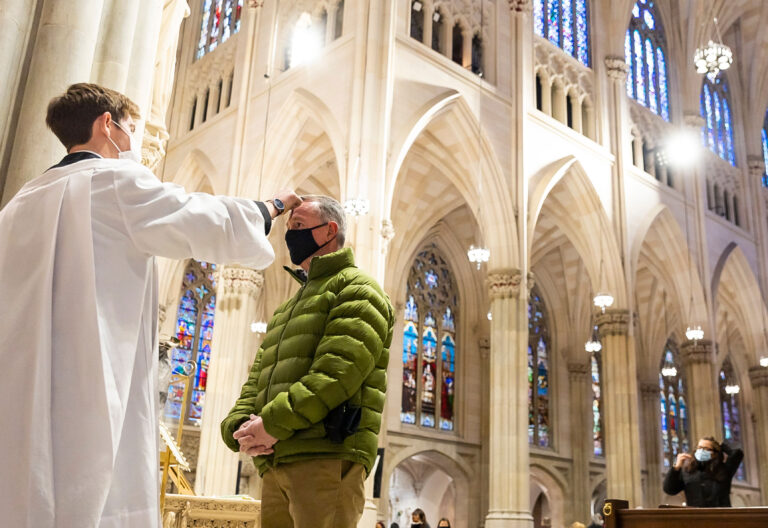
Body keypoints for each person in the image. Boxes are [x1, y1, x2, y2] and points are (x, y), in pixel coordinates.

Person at [0, 83, 301, 528]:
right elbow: (196, 216)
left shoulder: (19, 202)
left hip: (16, 386)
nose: (132, 141)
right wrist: (269, 207)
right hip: (89, 382)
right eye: (131, 129)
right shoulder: (114, 180)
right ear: (108, 125)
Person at [221, 195, 395, 528]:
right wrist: (239, 427)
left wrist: (269, 425)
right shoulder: (287, 309)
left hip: (326, 456)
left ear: (329, 231)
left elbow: (335, 375)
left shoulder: (359, 290)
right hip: (278, 458)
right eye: (288, 228)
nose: (290, 236)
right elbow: (258, 378)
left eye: (298, 226)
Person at [663, 436, 744, 507]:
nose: (701, 451)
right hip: (696, 517)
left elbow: (737, 452)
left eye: (706, 449)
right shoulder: (688, 471)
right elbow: (669, 489)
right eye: (699, 448)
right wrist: (676, 467)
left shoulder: (724, 469)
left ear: (715, 453)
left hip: (721, 517)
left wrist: (721, 445)